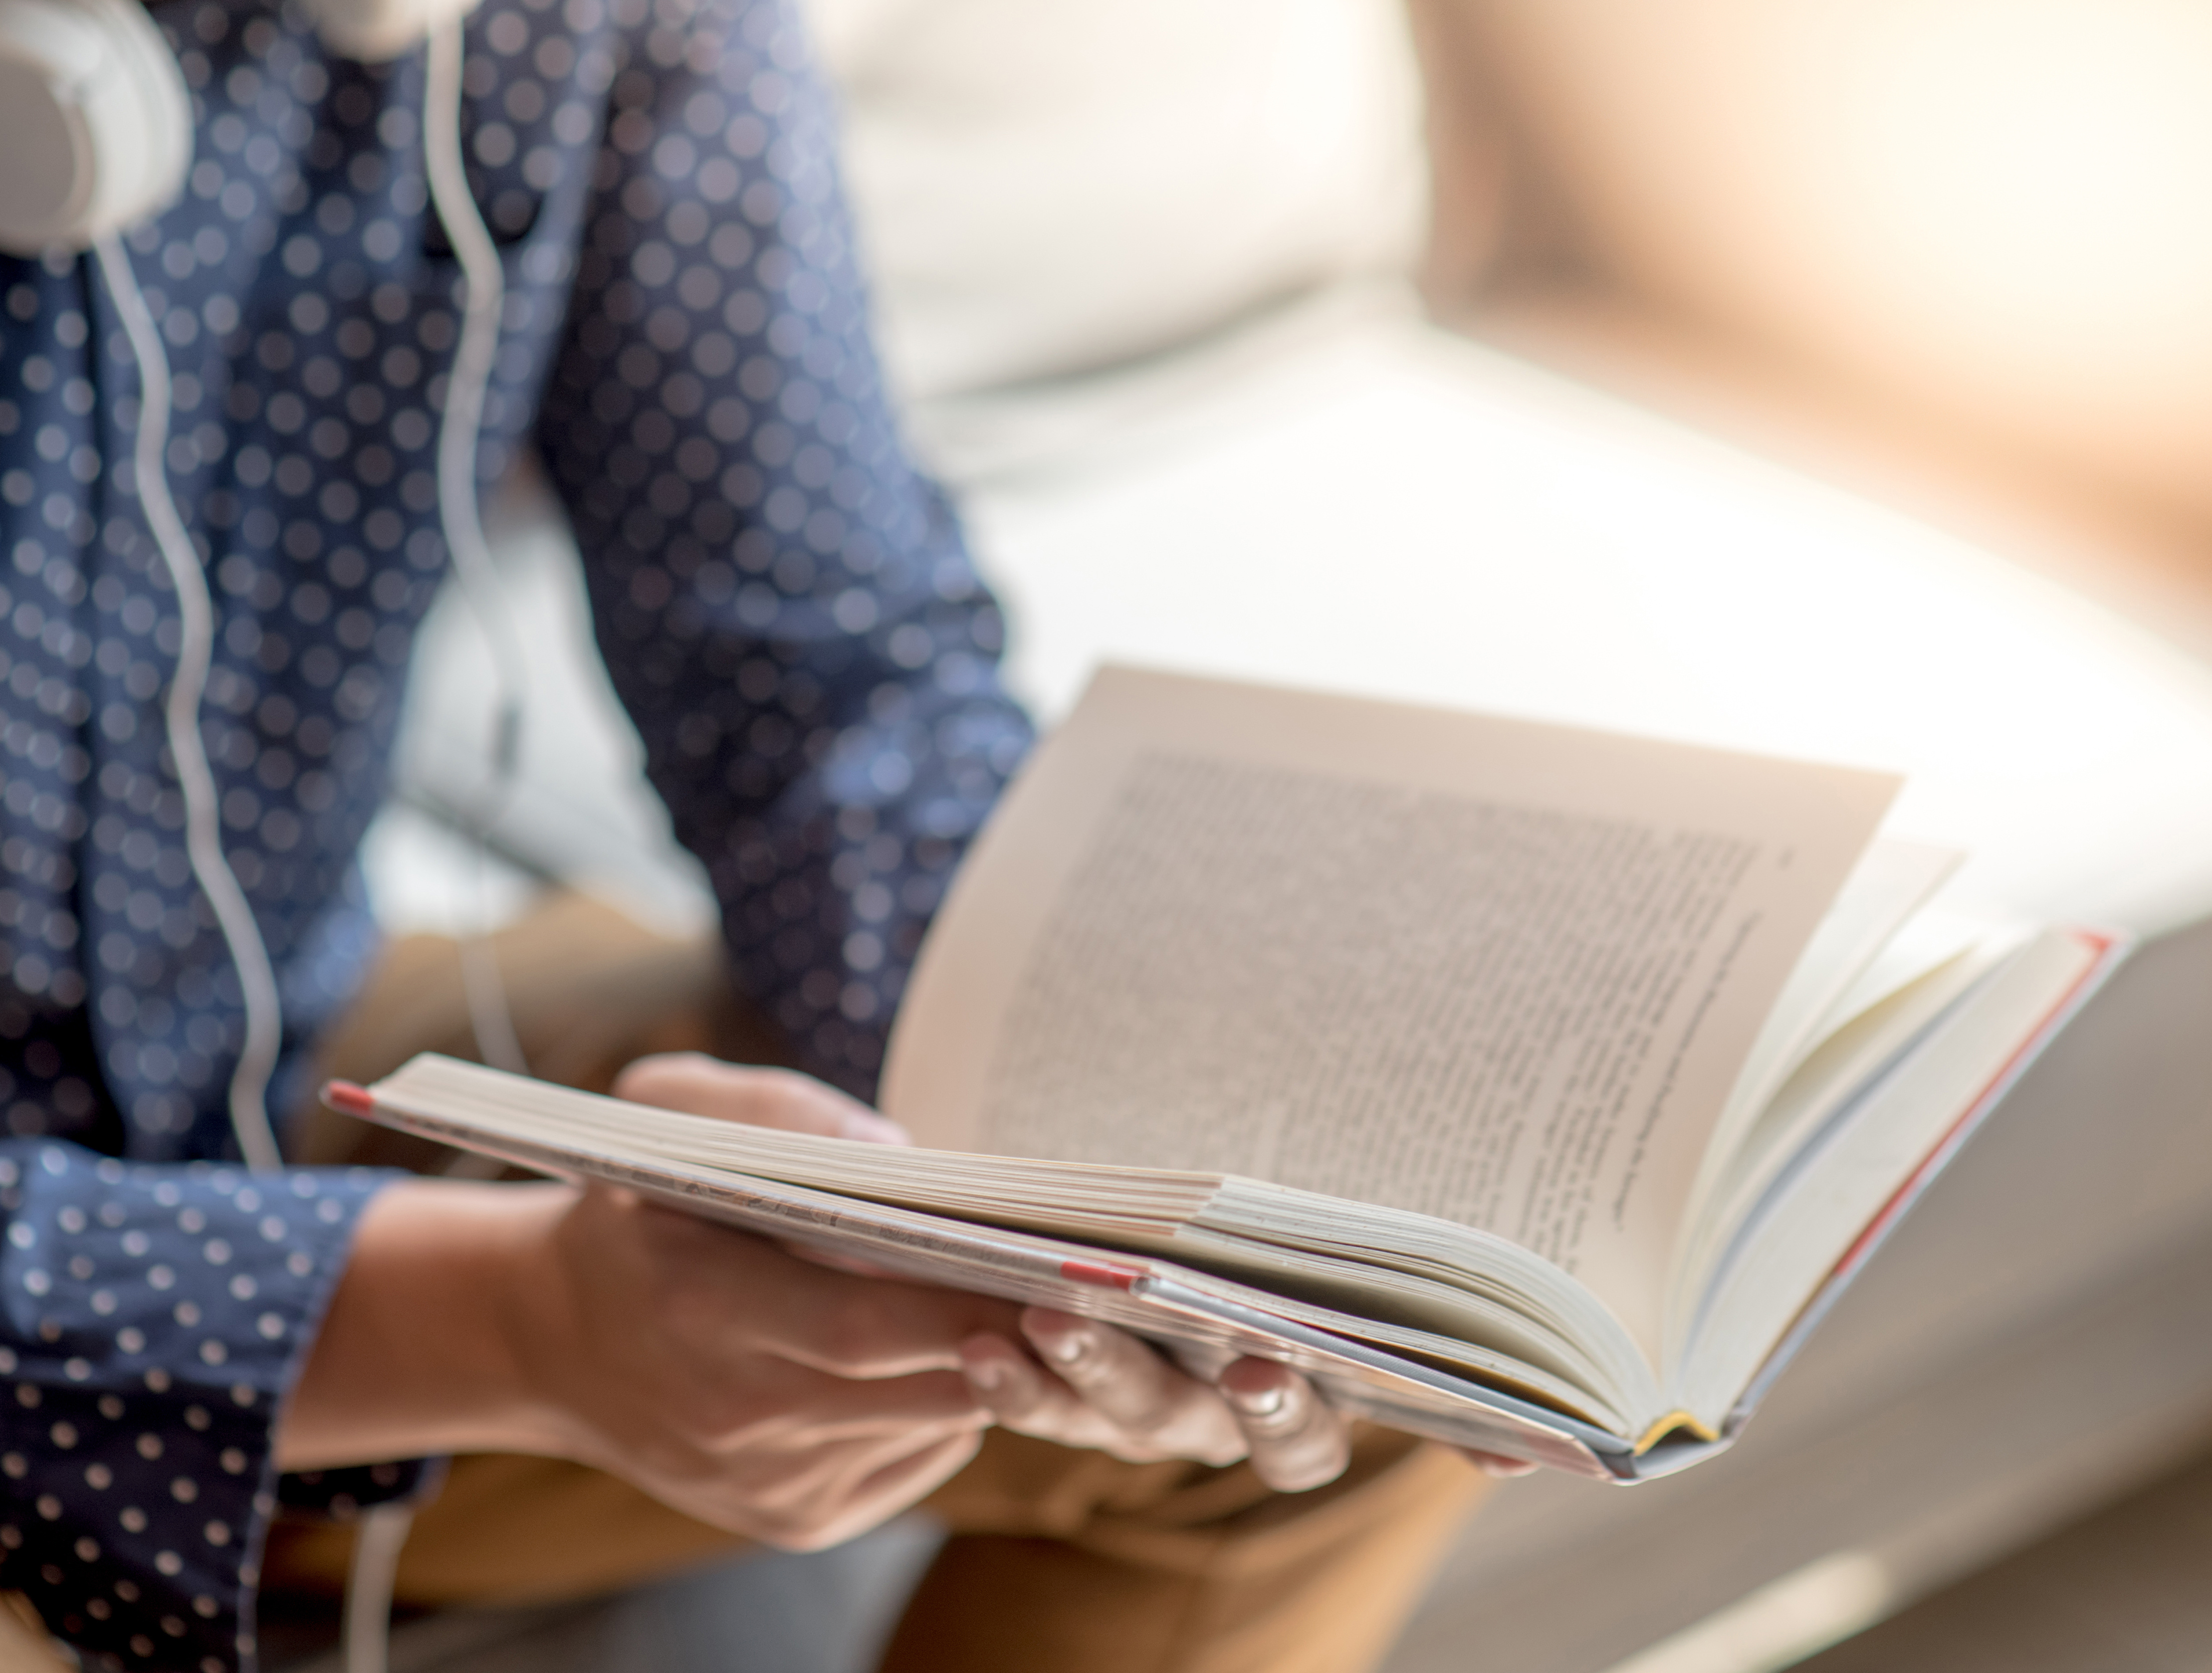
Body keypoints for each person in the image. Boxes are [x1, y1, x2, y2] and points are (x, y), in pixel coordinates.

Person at [0, 0, 1489, 1666]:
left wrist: (1117, 1194)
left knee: (1341, 1361)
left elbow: (823, 691)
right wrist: (495, 1316)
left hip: (270, 1064)